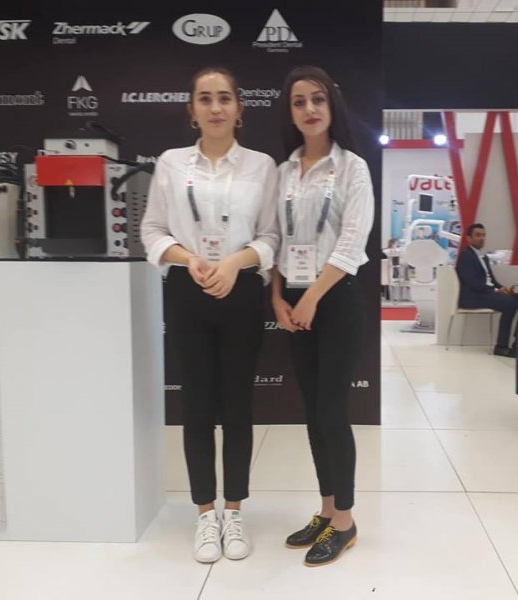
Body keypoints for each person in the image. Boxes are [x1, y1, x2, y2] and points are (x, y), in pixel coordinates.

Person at [140, 67, 278, 564]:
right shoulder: (171, 163)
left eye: (224, 98)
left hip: (240, 289)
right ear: (192, 110)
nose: (215, 107)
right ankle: (204, 514)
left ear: (239, 108)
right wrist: (188, 258)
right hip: (188, 288)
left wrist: (235, 262)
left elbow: (271, 236)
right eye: (205, 98)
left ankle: (234, 511)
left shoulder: (262, 166)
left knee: (237, 407)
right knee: (197, 408)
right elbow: (152, 230)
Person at [271, 65, 374, 567]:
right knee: (313, 411)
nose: (309, 109)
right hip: (293, 300)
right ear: (290, 112)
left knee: (333, 410)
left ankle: (346, 522)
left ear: (332, 105)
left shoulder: (353, 168)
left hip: (334, 298)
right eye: (299, 101)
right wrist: (278, 297)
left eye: (317, 99)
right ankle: (327, 510)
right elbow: (275, 239)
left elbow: (352, 241)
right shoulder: (283, 173)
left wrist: (312, 296)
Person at [455, 223, 518, 357]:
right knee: (510, 304)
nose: (481, 238)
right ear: (469, 238)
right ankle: (501, 347)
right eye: (478, 235)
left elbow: (491, 280)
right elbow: (472, 283)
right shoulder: (466, 256)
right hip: (473, 296)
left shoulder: (484, 257)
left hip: (486, 293)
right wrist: (495, 290)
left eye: (483, 235)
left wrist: (501, 288)